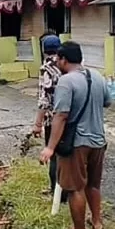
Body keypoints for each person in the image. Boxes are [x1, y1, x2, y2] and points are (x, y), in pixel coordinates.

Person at [39, 41, 111, 229]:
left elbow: (61, 116)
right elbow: (108, 101)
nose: (57, 63)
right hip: (98, 140)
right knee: (94, 185)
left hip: (77, 143)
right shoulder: (97, 76)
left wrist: (50, 147)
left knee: (75, 188)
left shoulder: (66, 82)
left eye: (58, 60)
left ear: (63, 59)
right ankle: (97, 222)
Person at [32, 35, 66, 199]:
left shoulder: (46, 68)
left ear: (44, 50)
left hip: (53, 119)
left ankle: (56, 192)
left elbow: (44, 99)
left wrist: (38, 123)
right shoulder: (65, 64)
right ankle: (66, 191)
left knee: (53, 155)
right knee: (66, 155)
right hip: (68, 117)